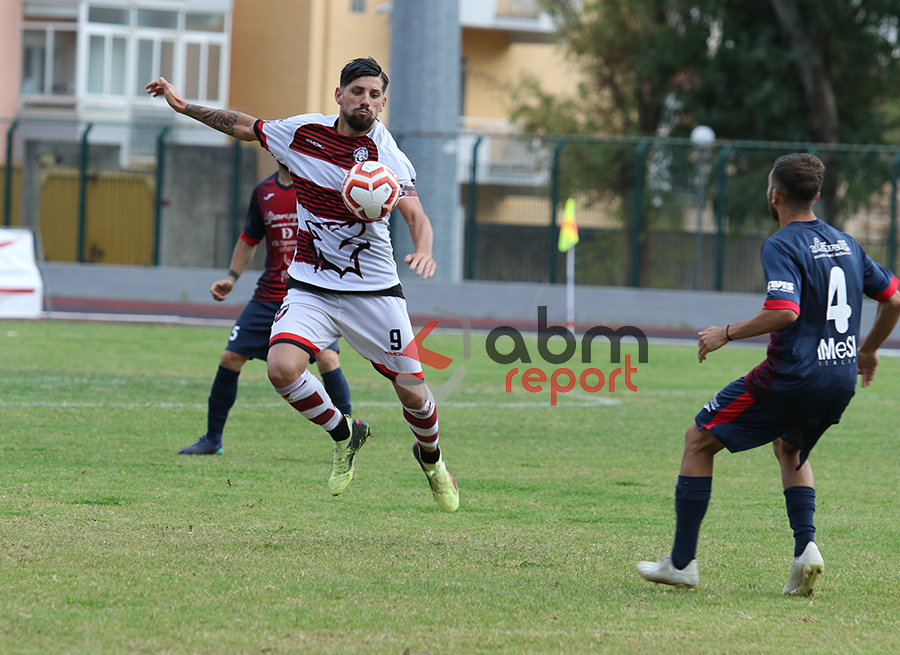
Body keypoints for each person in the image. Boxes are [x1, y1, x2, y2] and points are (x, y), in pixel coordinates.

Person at [147, 57, 459, 512]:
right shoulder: (301, 134)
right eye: (357, 92)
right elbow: (242, 124)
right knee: (281, 368)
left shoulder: (390, 159)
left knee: (414, 393)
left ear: (383, 102)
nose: (365, 102)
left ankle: (432, 462)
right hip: (310, 284)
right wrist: (183, 106)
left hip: (374, 291)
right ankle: (345, 434)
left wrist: (425, 249)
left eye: (374, 95)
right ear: (339, 95)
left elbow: (416, 215)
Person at [636, 153, 900, 595]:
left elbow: (783, 311)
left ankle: (681, 563)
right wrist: (867, 351)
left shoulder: (781, 244)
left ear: (774, 195)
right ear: (816, 195)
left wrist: (726, 332)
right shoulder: (846, 243)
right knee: (790, 449)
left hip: (792, 376)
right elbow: (893, 299)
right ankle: (806, 551)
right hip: (838, 379)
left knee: (699, 438)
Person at [179, 162, 352, 455]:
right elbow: (249, 238)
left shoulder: (318, 186)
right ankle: (212, 439)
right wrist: (231, 278)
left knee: (328, 361)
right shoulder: (264, 191)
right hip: (269, 294)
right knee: (230, 358)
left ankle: (348, 441)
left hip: (310, 296)